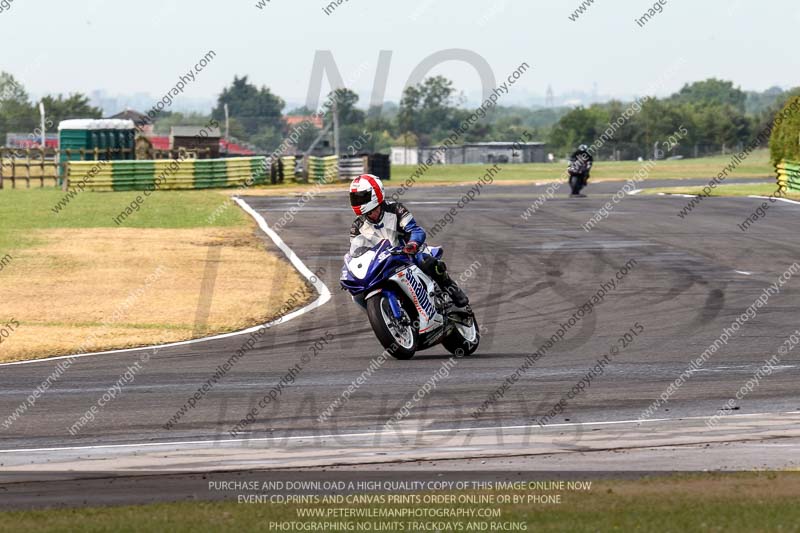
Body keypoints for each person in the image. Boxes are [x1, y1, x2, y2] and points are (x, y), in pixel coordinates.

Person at [348, 174, 469, 308]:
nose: (359, 201)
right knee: (358, 293)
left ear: (376, 193)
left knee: (429, 263)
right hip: (381, 265)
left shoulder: (395, 209)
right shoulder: (357, 226)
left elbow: (416, 230)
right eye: (355, 198)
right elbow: (357, 252)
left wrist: (412, 244)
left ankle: (451, 288)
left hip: (407, 254)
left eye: (362, 197)